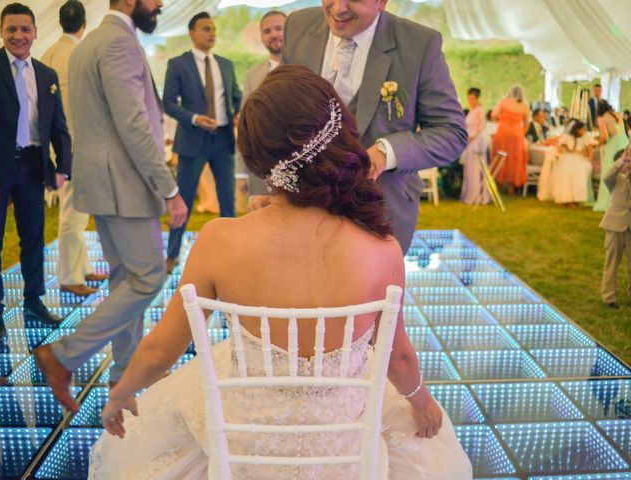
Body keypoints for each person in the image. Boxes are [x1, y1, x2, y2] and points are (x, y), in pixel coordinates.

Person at [88, 65, 472, 480]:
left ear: (257, 159)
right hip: (344, 451)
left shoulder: (220, 240)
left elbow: (162, 350)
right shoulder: (381, 249)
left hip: (243, 449)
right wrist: (421, 402)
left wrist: (120, 396)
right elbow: (397, 358)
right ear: (338, 135)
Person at [33, 0, 188, 412]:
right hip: (125, 183)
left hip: (103, 182)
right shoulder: (118, 43)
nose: (159, 4)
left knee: (126, 280)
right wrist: (169, 188)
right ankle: (63, 355)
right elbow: (133, 123)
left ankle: (126, 371)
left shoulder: (89, 43)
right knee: (148, 277)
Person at [249, 0, 467, 255]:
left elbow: (451, 132)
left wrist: (386, 153)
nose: (338, 9)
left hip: (380, 211)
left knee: (371, 295)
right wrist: (265, 188)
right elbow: (276, 114)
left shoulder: (419, 44)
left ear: (382, 2)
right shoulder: (297, 26)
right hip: (300, 209)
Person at [0, 3, 72, 346]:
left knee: (34, 239)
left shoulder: (46, 75)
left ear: (36, 32)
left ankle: (33, 303)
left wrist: (63, 166)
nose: (19, 36)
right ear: (1, 31)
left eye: (25, 29)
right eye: (12, 29)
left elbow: (58, 125)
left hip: (33, 166)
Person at [163, 11, 242, 274]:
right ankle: (171, 255)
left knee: (227, 201)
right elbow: (169, 103)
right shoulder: (178, 64)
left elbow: (236, 96)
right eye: (206, 29)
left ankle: (231, 254)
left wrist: (237, 114)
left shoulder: (226, 64)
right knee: (183, 200)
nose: (212, 33)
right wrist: (195, 118)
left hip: (222, 140)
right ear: (192, 33)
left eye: (213, 29)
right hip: (192, 140)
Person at [41, 0, 107, 297]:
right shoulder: (82, 53)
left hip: (57, 143)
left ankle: (80, 268)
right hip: (78, 143)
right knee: (74, 212)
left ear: (60, 22)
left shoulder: (47, 53)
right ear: (83, 24)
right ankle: (69, 276)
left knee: (77, 211)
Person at [240, 10, 286, 196]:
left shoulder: (309, 67)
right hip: (264, 168)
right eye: (267, 31)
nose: (273, 34)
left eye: (279, 28)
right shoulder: (252, 76)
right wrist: (241, 173)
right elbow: (246, 127)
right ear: (262, 37)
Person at [600, 147, 631, 309]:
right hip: (615, 226)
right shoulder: (614, 179)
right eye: (627, 161)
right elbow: (608, 175)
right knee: (612, 263)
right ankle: (609, 297)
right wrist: (623, 159)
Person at [491, 85, 530, 195]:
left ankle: (498, 182)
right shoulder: (524, 106)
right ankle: (512, 186)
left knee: (500, 156)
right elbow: (527, 123)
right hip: (517, 135)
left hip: (502, 133)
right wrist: (521, 132)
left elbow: (494, 115)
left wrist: (501, 120)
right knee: (515, 159)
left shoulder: (503, 102)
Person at [593, 100, 629, 212]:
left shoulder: (601, 118)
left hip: (613, 144)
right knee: (625, 171)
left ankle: (607, 202)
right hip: (624, 141)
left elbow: (604, 136)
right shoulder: (618, 114)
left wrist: (597, 143)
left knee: (610, 172)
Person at [551, 119, 593, 206]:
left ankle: (576, 198)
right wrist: (569, 150)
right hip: (569, 158)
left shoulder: (586, 138)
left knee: (576, 170)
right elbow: (560, 149)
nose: (584, 131)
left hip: (581, 160)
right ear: (577, 130)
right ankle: (567, 198)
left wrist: (584, 155)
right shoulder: (568, 138)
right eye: (583, 129)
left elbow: (590, 154)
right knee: (566, 169)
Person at [460, 87, 489, 205]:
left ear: (477, 99)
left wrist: (469, 138)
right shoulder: (472, 111)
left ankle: (477, 195)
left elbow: (479, 128)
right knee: (469, 170)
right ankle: (470, 194)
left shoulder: (480, 111)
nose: (470, 101)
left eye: (472, 99)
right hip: (469, 142)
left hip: (476, 142)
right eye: (469, 99)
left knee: (476, 169)